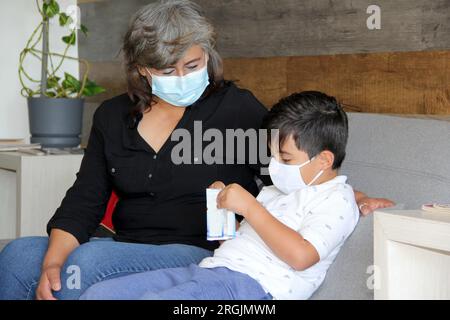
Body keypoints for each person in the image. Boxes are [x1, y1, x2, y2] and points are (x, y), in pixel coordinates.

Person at [0, 1, 393, 300]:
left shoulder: (235, 108)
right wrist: (53, 260)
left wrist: (355, 196)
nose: (182, 78)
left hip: (201, 253)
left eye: (192, 64)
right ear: (141, 69)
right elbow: (85, 200)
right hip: (125, 245)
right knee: (19, 257)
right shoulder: (113, 117)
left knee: (86, 265)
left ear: (208, 56)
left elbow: (289, 166)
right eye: (167, 71)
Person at [80, 91, 363, 300]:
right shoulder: (279, 189)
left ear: (324, 160)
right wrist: (222, 215)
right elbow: (242, 242)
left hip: (254, 291)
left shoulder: (336, 200)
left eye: (285, 159)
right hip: (212, 271)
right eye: (273, 155)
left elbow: (302, 256)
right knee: (102, 294)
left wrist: (251, 207)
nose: (274, 165)